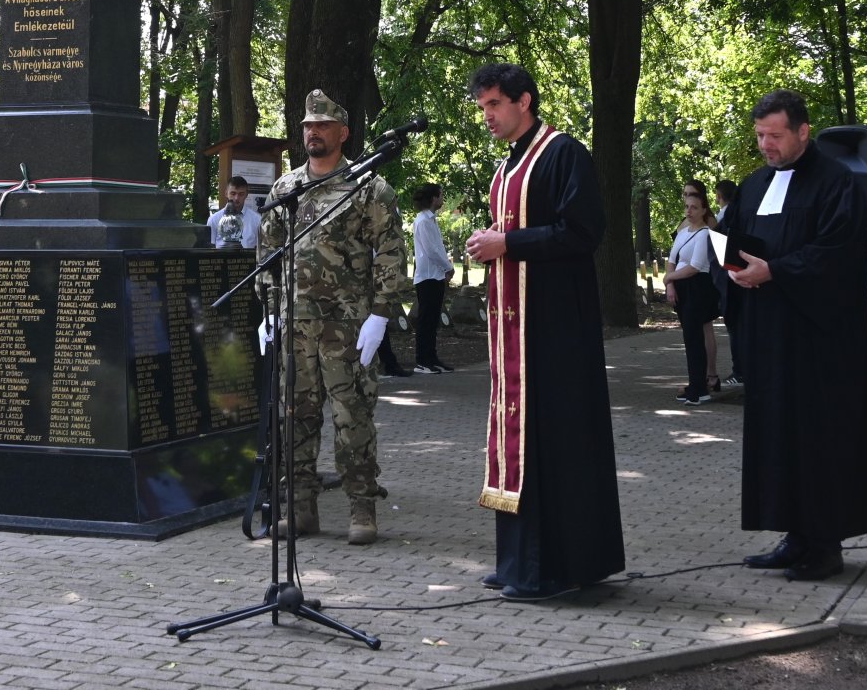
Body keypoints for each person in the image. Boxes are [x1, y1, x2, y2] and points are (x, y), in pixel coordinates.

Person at [464, 63, 624, 600]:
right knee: (518, 440)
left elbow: (583, 231)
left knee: (552, 441)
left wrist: (507, 244)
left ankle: (554, 567)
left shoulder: (563, 154)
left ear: (523, 101)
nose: (486, 116)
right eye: (482, 106)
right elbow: (521, 231)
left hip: (555, 330)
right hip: (516, 332)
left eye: (493, 105)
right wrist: (494, 238)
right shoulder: (510, 164)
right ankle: (515, 562)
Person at [726, 89, 867, 582]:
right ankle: (793, 535)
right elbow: (731, 238)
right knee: (777, 435)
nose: (766, 145)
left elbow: (838, 253)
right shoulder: (753, 186)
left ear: (803, 131)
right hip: (769, 334)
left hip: (819, 340)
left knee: (817, 437)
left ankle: (825, 544)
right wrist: (731, 267)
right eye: (760, 136)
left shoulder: (839, 182)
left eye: (775, 135)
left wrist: (776, 271)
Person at [256, 90, 411, 545]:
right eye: (307, 126)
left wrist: (382, 314)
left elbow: (391, 253)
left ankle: (362, 509)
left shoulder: (368, 188)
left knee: (352, 418)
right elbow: (267, 256)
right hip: (294, 325)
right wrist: (269, 312)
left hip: (347, 327)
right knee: (294, 418)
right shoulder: (286, 190)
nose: (313, 132)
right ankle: (301, 508)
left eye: (322, 126)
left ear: (342, 133)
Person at [663, 182, 721, 404]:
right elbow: (672, 260)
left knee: (696, 338)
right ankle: (696, 384)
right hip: (682, 287)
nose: (689, 211)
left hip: (698, 287)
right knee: (690, 339)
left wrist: (669, 278)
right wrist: (670, 284)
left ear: (704, 210)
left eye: (694, 207)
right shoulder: (682, 231)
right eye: (687, 206)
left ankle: (700, 387)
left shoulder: (706, 233)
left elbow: (695, 266)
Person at [409, 183, 454, 373]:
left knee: (433, 319)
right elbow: (432, 250)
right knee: (426, 319)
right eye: (441, 195)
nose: (442, 199)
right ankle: (422, 360)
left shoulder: (430, 220)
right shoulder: (423, 221)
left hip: (435, 276)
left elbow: (437, 248)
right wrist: (448, 267)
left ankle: (432, 357)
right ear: (434, 198)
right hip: (428, 276)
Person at [711, 178, 744, 387]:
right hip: (737, 278)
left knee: (735, 329)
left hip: (730, 280)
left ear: (719, 197)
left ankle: (739, 371)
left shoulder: (723, 220)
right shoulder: (741, 215)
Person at [207, 175, 261, 249]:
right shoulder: (214, 219)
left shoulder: (257, 220)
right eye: (233, 193)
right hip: (221, 259)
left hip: (248, 259)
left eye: (241, 194)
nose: (236, 198)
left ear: (246, 195)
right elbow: (210, 248)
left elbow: (261, 249)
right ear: (226, 194)